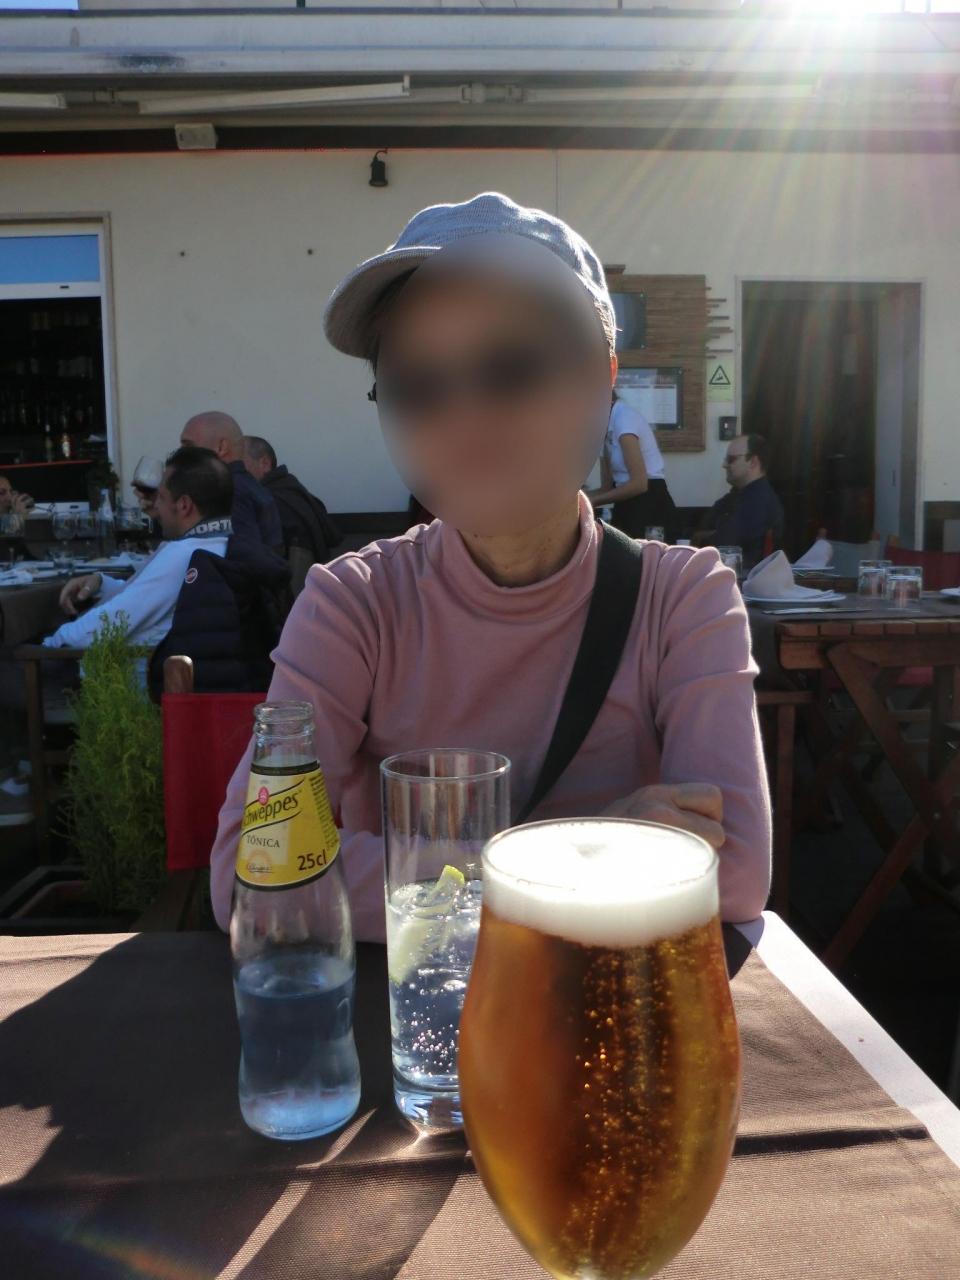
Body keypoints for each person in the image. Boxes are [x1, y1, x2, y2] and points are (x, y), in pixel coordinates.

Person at [209, 191, 771, 942]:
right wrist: (586, 853)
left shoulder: (683, 598)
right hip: (419, 1010)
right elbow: (250, 872)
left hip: (607, 1011)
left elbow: (733, 872)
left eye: (511, 369)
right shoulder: (352, 604)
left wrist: (422, 871)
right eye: (418, 388)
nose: (465, 415)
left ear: (603, 380)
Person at [44, 447, 232, 651]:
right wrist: (101, 583)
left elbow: (104, 627)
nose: (155, 506)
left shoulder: (185, 553)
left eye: (161, 497)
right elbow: (145, 598)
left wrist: (50, 643)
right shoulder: (223, 543)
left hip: (140, 667)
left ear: (184, 505)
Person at [180, 412, 283, 553]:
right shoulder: (250, 487)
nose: (180, 454)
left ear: (221, 447)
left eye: (188, 446)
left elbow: (243, 557)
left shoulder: (228, 491)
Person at [585, 390, 677, 538]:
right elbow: (607, 487)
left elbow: (639, 484)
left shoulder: (624, 419)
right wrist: (575, 500)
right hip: (624, 502)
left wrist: (592, 501)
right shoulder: (604, 429)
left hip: (650, 501)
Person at [241, 435, 342, 568]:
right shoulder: (291, 491)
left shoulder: (272, 502)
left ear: (265, 463)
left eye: (238, 462)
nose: (231, 469)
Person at [696, 433, 784, 569]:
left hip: (742, 578)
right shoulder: (739, 495)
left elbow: (722, 543)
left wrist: (705, 535)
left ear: (753, 462)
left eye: (731, 459)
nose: (724, 465)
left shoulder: (758, 501)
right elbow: (705, 526)